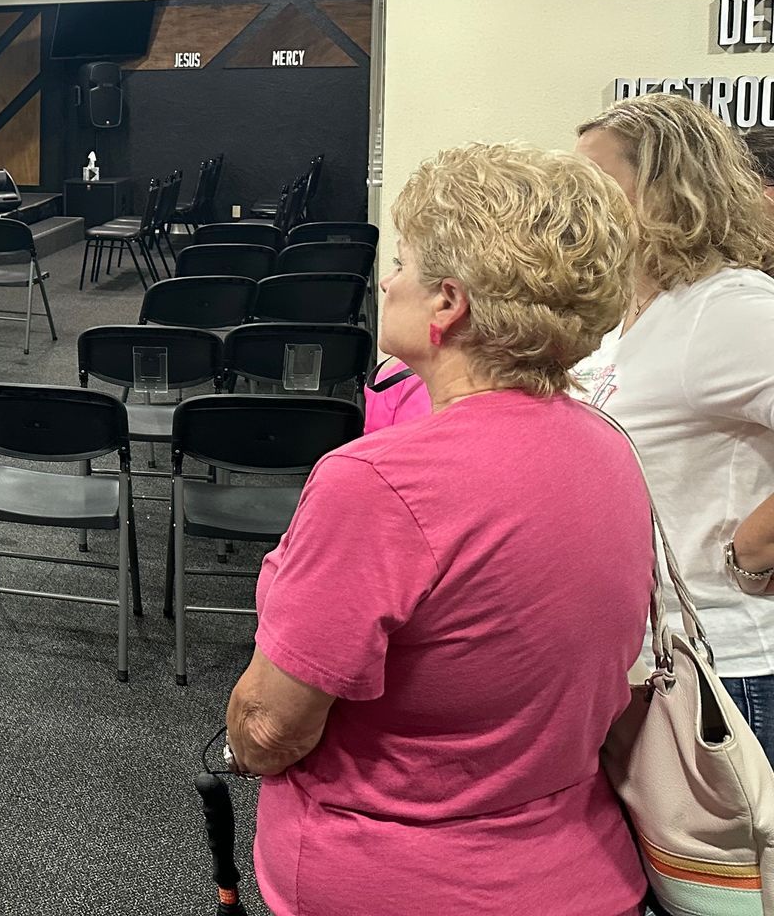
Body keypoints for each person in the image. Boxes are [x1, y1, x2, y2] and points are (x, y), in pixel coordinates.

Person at [225, 143, 652, 914]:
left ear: (447, 303)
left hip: (399, 880)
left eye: (406, 262)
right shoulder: (610, 448)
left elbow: (268, 730)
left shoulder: (377, 482)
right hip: (581, 870)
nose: (388, 280)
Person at [577, 92, 774, 758]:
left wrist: (754, 552)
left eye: (598, 185)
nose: (576, 204)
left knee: (730, 867)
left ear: (669, 191)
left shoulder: (731, 309)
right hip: (657, 661)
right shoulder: (630, 316)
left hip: (731, 668)